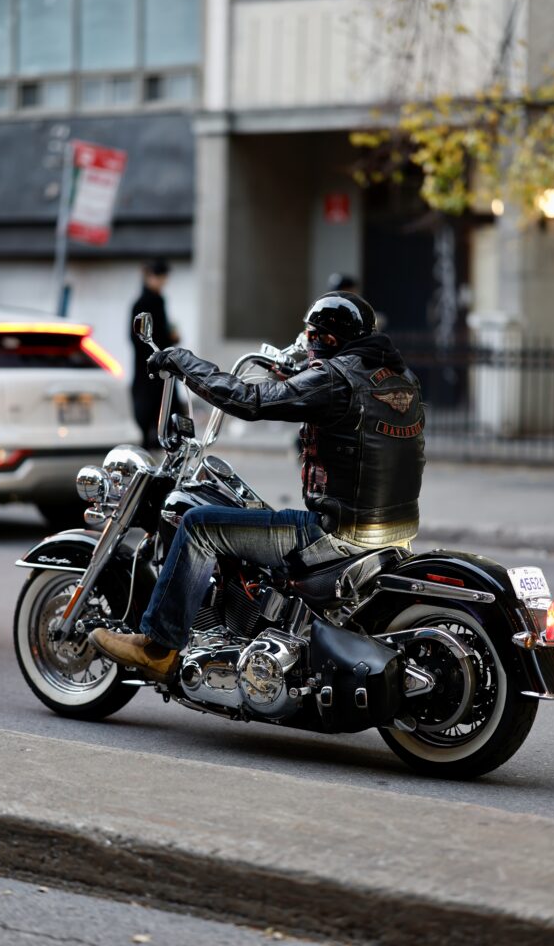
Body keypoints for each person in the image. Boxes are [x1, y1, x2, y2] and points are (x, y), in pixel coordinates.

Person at [91, 293, 425, 681]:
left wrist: (183, 362)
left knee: (199, 525)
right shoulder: (402, 378)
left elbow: (248, 400)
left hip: (334, 534)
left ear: (328, 340)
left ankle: (158, 646)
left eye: (311, 333)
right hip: (395, 532)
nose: (307, 340)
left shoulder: (335, 379)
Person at [129, 260, 180, 449]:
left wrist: (170, 338)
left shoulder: (158, 300)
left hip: (162, 365)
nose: (162, 281)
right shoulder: (142, 303)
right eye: (159, 277)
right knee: (147, 410)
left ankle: (164, 444)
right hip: (148, 367)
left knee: (166, 408)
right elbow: (136, 337)